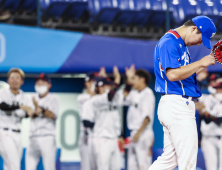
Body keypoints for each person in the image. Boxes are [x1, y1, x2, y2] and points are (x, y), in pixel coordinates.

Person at [149, 16, 216, 170]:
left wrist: (205, 63)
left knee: (169, 160)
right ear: (193, 29)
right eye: (201, 38)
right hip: (177, 105)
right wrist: (201, 62)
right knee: (188, 160)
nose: (200, 43)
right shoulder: (169, 42)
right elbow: (172, 74)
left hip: (177, 104)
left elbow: (182, 75)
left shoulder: (180, 43)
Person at [112, 65, 155, 170]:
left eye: (134, 79)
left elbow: (147, 117)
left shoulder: (148, 93)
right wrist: (128, 80)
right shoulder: (134, 93)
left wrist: (138, 132)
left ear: (142, 79)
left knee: (143, 165)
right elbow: (122, 98)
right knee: (132, 166)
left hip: (142, 133)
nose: (132, 82)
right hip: (134, 133)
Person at [82, 66, 123, 170]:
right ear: (98, 88)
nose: (107, 88)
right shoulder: (95, 100)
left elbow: (120, 97)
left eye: (108, 86)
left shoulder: (112, 98)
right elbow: (109, 96)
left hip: (114, 138)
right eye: (104, 86)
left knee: (116, 167)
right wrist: (117, 80)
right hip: (101, 138)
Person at [0, 68, 34, 170]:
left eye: (17, 78)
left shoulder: (24, 97)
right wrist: (21, 107)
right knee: (14, 165)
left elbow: (29, 114)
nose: (15, 80)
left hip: (18, 133)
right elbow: (3, 106)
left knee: (9, 165)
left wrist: (26, 110)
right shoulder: (2, 93)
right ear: (8, 80)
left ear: (22, 81)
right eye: (12, 77)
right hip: (4, 132)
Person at [26, 73, 60, 170]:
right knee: (29, 167)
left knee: (49, 167)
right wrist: (35, 111)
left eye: (42, 83)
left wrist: (42, 109)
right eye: (38, 83)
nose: (39, 85)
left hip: (47, 136)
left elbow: (53, 115)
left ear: (49, 85)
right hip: (33, 136)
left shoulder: (54, 98)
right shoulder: (32, 97)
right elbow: (30, 113)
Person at [196, 77, 222, 170]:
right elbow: (206, 120)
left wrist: (206, 113)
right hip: (208, 137)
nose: (219, 90)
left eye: (221, 88)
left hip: (221, 137)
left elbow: (218, 120)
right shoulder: (207, 98)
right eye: (218, 88)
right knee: (211, 167)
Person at [77, 72, 97, 170]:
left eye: (95, 81)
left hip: (99, 134)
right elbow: (94, 98)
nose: (93, 84)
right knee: (86, 166)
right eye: (92, 81)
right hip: (86, 134)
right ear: (87, 83)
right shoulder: (82, 97)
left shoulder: (99, 96)